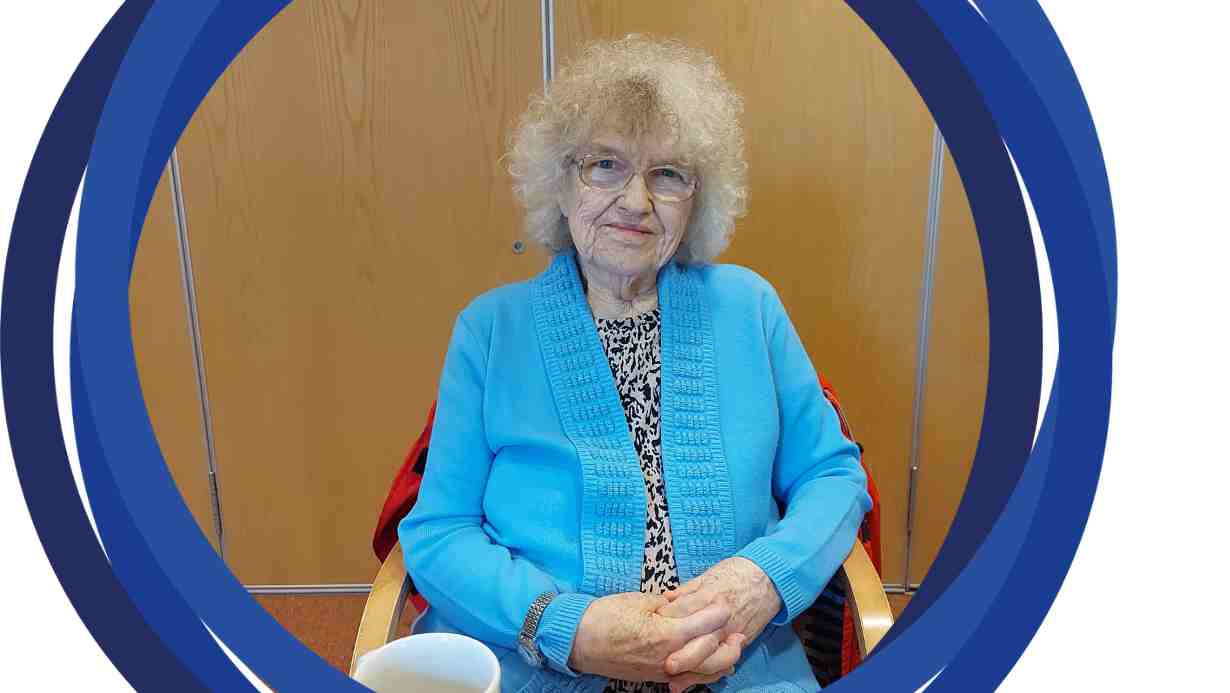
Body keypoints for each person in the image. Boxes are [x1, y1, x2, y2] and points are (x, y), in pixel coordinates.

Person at [400, 35, 871, 693]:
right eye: (605, 166)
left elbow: (834, 474)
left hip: (739, 669)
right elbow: (440, 531)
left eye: (668, 174)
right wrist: (566, 626)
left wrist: (760, 578)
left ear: (697, 198)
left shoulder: (749, 308)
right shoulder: (491, 329)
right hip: (537, 669)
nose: (636, 201)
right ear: (560, 185)